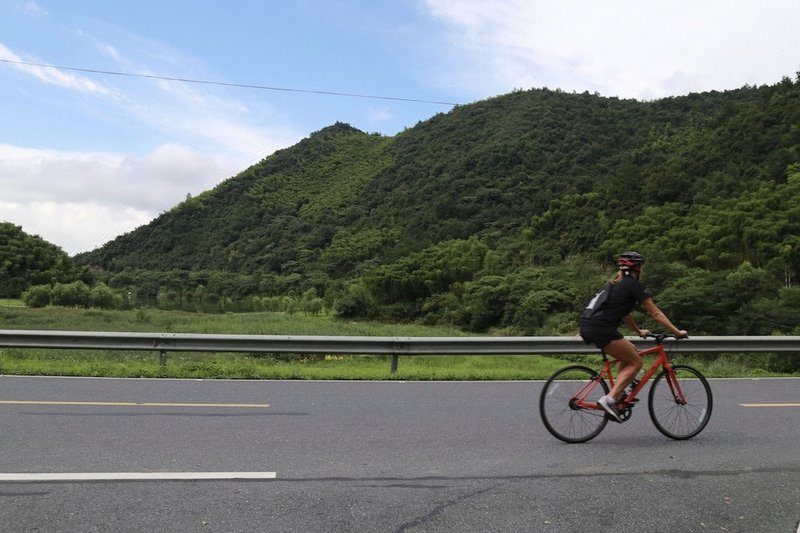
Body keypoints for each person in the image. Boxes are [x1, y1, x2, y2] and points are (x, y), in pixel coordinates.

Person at [579, 251, 687, 422]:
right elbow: (656, 313)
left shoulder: (614, 284)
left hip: (588, 325)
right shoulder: (633, 285)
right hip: (602, 328)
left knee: (630, 352)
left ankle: (618, 395)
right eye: (642, 266)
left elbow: (625, 314)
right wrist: (676, 332)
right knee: (636, 362)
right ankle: (609, 399)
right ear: (638, 267)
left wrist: (638, 331)